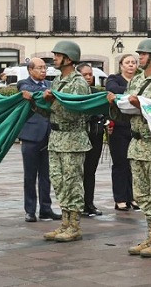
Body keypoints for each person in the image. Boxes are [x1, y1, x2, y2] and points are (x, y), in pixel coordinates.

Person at [108, 38, 151, 258]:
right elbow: (125, 113)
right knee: (142, 194)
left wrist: (142, 104)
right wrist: (115, 104)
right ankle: (150, 236)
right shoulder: (136, 80)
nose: (140, 57)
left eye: (144, 54)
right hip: (136, 144)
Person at [41, 40, 90, 243]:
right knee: (59, 182)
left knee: (72, 183)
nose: (54, 58)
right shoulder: (58, 80)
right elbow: (49, 113)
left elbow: (75, 113)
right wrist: (37, 104)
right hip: (56, 139)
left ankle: (74, 225)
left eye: (58, 55)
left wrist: (52, 102)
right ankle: (65, 223)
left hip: (73, 139)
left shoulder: (78, 83)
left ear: (68, 59)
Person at [18, 58, 61, 223]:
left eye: (45, 68)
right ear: (30, 70)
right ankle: (30, 210)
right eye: (40, 68)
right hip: (31, 135)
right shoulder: (24, 84)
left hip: (49, 135)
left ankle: (46, 208)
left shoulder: (50, 86)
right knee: (30, 176)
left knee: (46, 175)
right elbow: (31, 91)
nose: (44, 71)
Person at [106, 54, 139, 212]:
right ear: (121, 66)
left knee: (132, 164)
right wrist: (133, 93)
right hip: (119, 128)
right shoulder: (114, 79)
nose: (131, 65)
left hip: (134, 128)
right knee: (120, 164)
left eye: (133, 62)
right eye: (127, 62)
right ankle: (120, 198)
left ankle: (131, 197)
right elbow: (113, 90)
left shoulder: (140, 80)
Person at [77, 63, 105, 217]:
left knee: (90, 171)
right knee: (77, 171)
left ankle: (89, 203)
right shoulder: (75, 94)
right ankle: (77, 203)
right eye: (85, 75)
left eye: (90, 74)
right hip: (79, 136)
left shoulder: (96, 93)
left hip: (95, 136)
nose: (88, 77)